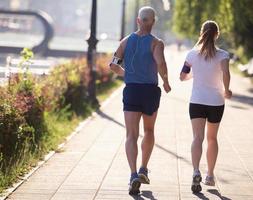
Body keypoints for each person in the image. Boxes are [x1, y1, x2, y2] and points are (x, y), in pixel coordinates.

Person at [109, 6, 171, 195]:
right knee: (149, 130)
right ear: (153, 21)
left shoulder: (126, 41)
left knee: (131, 135)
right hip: (150, 91)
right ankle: (144, 168)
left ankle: (133, 174)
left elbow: (113, 64)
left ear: (138, 20)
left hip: (132, 91)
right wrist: (166, 81)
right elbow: (160, 63)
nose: (145, 23)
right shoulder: (156, 43)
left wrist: (127, 74)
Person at [180, 20, 232, 193]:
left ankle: (195, 171)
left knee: (197, 137)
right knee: (212, 138)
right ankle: (209, 175)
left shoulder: (191, 55)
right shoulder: (223, 55)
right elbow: (225, 73)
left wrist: (193, 75)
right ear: (217, 34)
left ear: (201, 33)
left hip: (196, 101)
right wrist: (227, 90)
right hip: (216, 102)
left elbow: (182, 76)